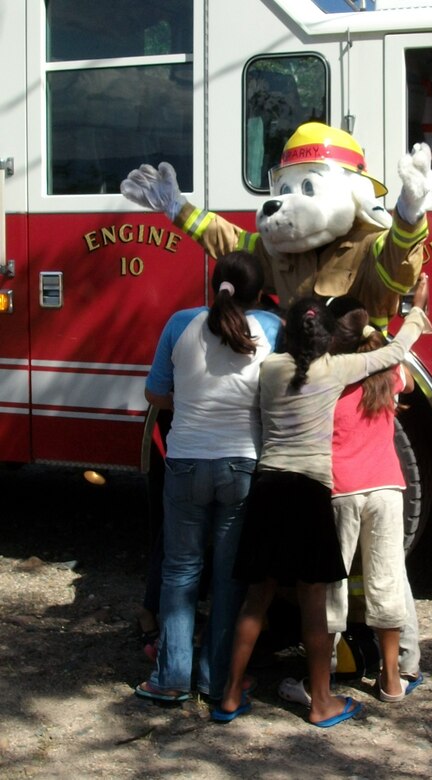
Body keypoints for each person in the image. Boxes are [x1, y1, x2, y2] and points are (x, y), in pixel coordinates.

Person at [212, 274, 432, 726]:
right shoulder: (336, 369)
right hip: (310, 492)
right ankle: (321, 702)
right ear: (327, 336)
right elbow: (393, 354)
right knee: (316, 602)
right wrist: (413, 312)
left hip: (268, 488)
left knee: (257, 597)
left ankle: (230, 694)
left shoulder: (270, 369)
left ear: (286, 333)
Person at [135, 250, 283, 704]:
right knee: (228, 578)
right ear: (259, 293)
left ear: (212, 284)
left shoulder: (179, 323)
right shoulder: (272, 329)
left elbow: (155, 392)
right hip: (242, 464)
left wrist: (193, 407)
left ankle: (170, 678)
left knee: (180, 571)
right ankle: (217, 678)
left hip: (184, 462)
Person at [325, 297, 425, 702]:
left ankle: (324, 671)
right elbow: (411, 384)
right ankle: (392, 679)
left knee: (331, 583)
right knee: (387, 580)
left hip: (341, 488)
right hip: (387, 487)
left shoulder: (327, 374)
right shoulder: (389, 372)